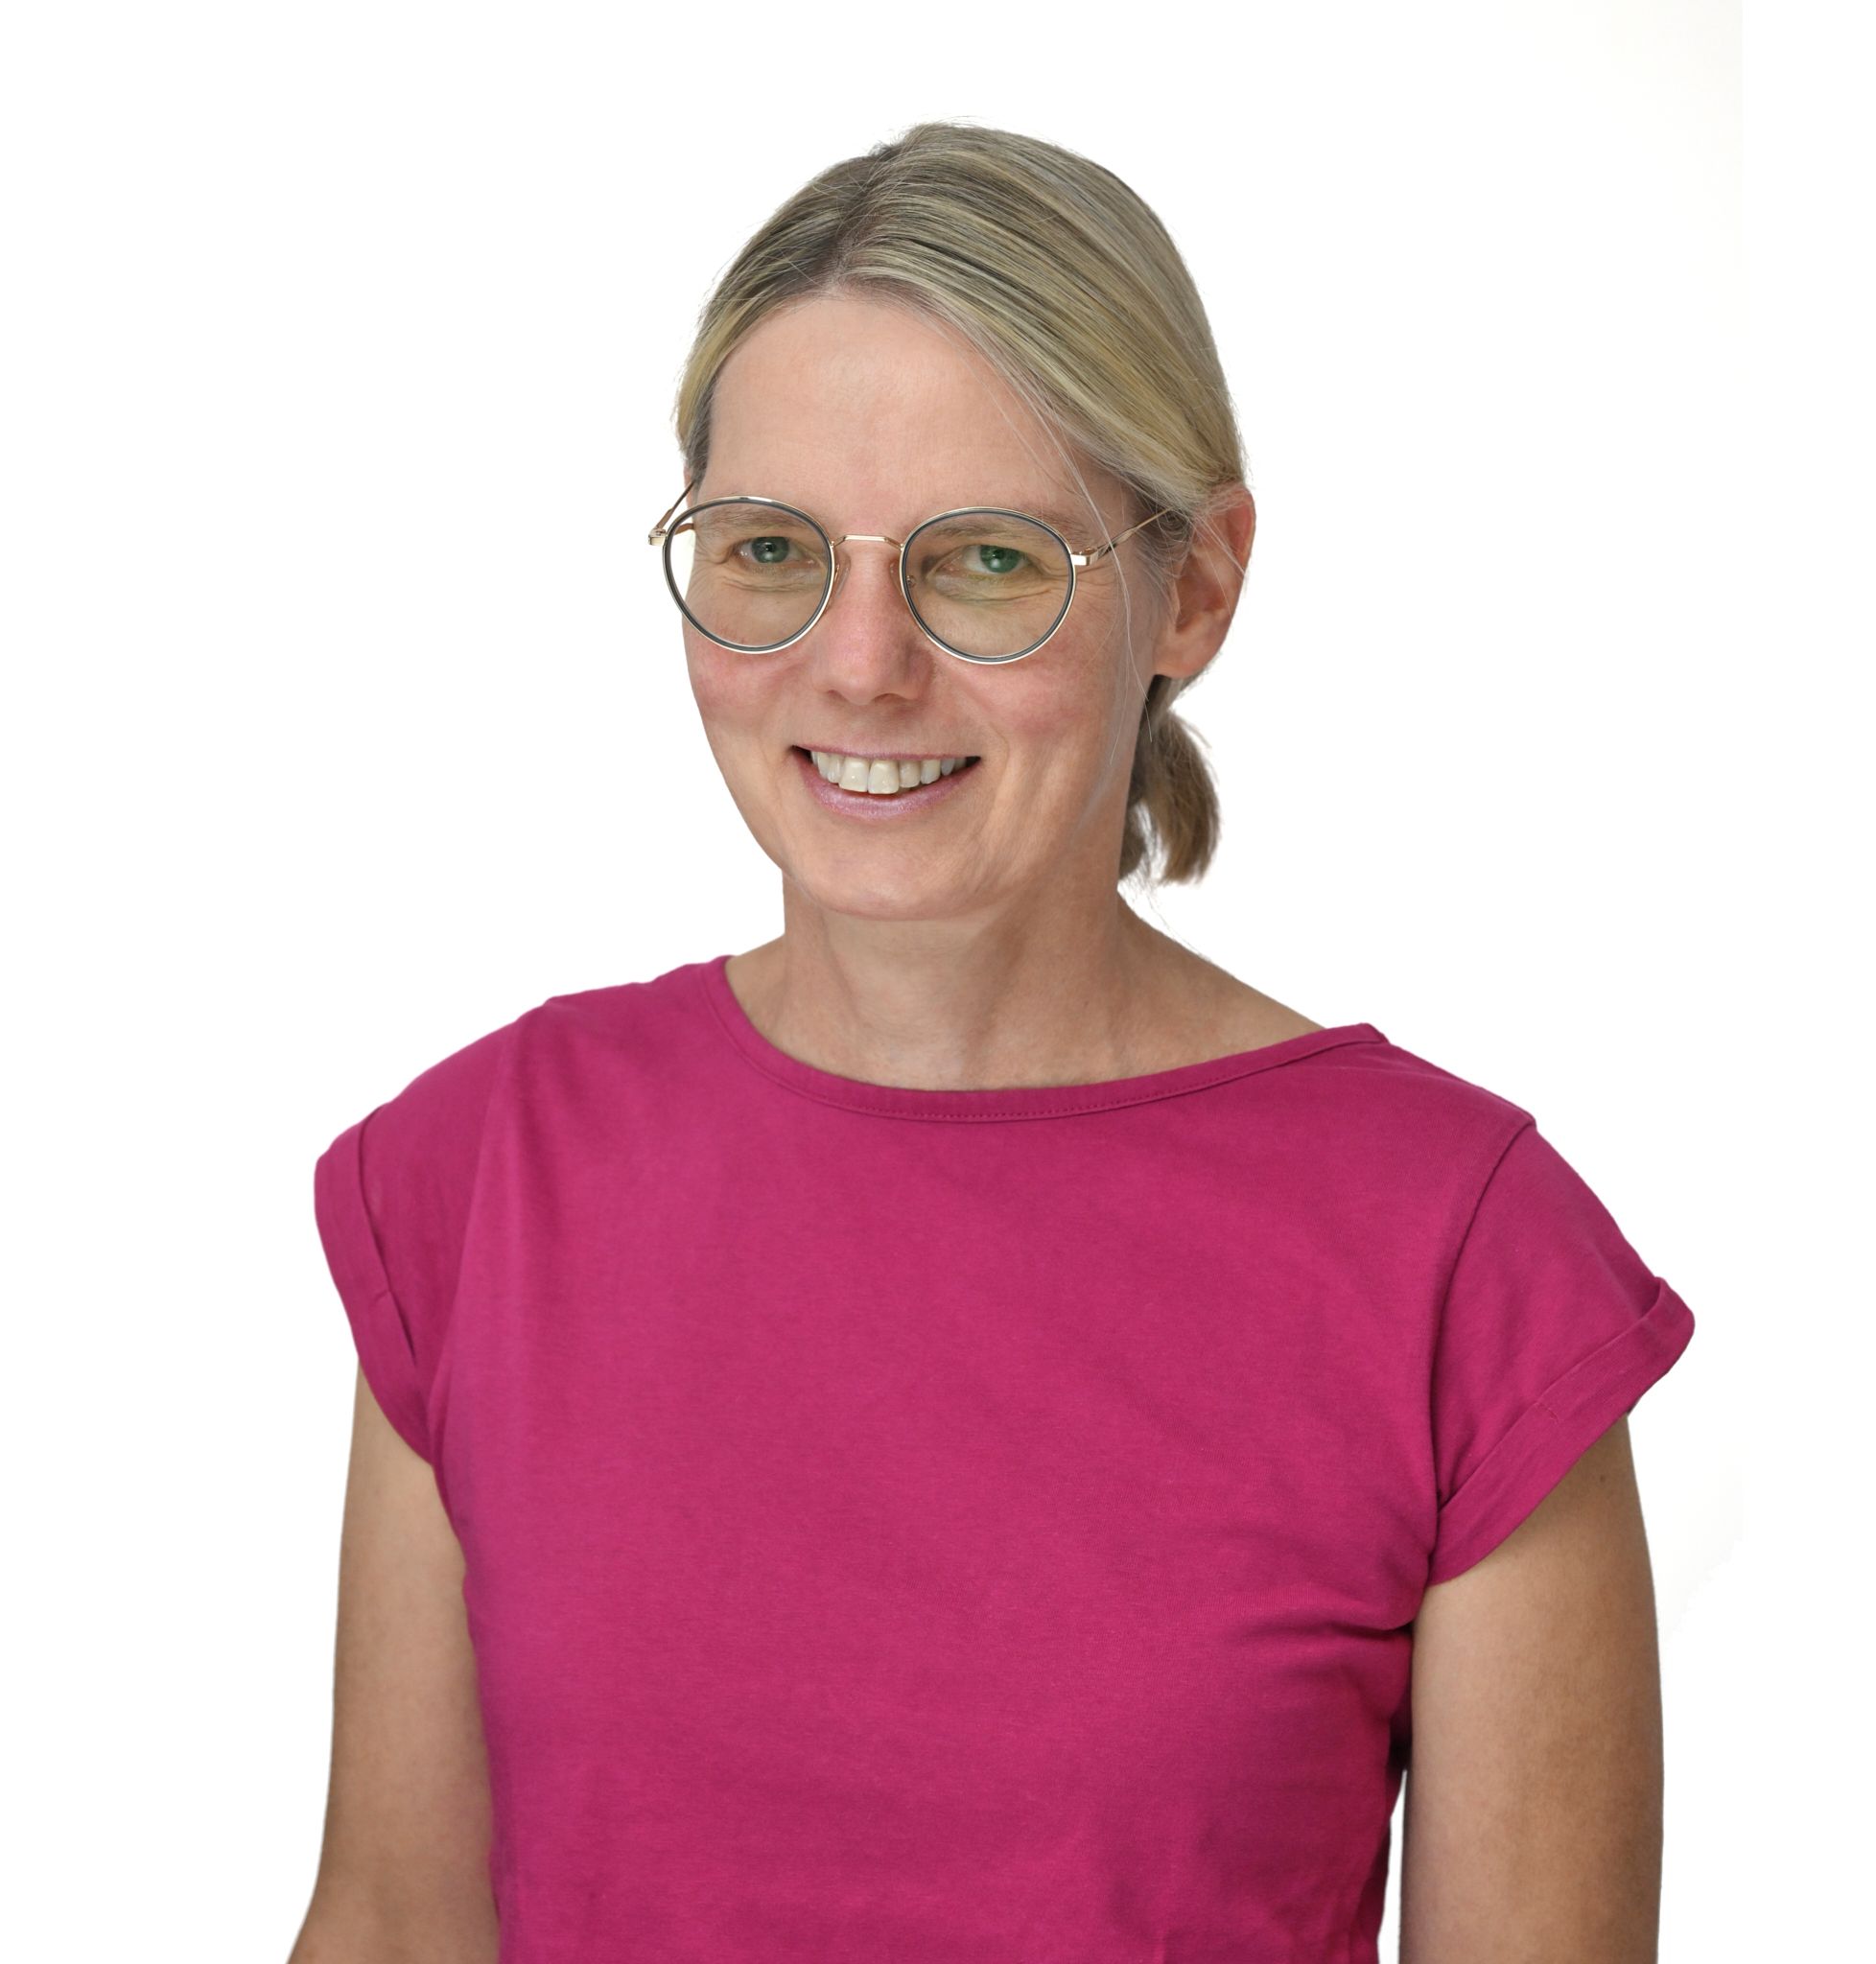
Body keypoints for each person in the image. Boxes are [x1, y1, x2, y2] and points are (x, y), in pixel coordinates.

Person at [292, 121, 1696, 1964]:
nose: (860, 665)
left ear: (1194, 589)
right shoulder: (482, 1179)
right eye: (773, 548)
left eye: (984, 562)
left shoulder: (1463, 1258)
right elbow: (394, 1927)